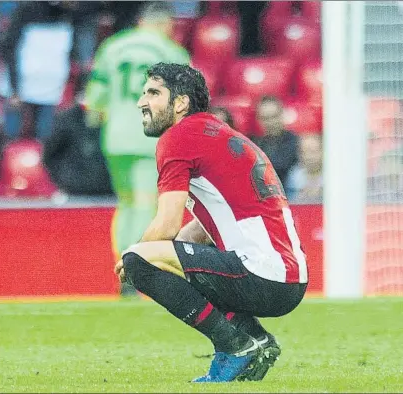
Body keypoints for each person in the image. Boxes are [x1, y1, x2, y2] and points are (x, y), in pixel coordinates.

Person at [114, 63, 308, 383]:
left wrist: (135, 258)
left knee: (140, 260)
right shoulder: (224, 136)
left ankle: (234, 346)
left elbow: (167, 224)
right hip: (290, 278)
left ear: (180, 103)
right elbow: (201, 229)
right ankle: (255, 340)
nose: (141, 102)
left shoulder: (179, 137)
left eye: (153, 93)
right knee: (162, 257)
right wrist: (158, 254)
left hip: (261, 273)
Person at [86, 2, 190, 295]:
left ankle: (122, 263)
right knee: (146, 204)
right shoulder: (170, 52)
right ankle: (134, 271)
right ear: (163, 23)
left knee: (127, 203)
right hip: (150, 138)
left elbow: (94, 102)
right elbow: (185, 102)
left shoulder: (112, 46)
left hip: (115, 137)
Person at [0, 1, 76, 140]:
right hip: (27, 81)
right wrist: (15, 88)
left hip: (49, 85)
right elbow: (10, 46)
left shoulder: (67, 14)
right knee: (15, 138)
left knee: (40, 139)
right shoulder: (29, 10)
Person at [42, 74, 113, 197]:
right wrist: (65, 180)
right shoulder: (67, 119)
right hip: (74, 192)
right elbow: (49, 155)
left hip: (109, 191)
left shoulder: (114, 120)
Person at [251, 96, 299, 185]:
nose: (270, 122)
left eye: (274, 116)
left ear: (282, 114)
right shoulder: (256, 145)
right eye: (265, 118)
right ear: (259, 120)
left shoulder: (296, 143)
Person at [286, 133, 323, 202]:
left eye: (313, 152)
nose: (309, 157)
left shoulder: (333, 177)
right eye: (305, 152)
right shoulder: (294, 175)